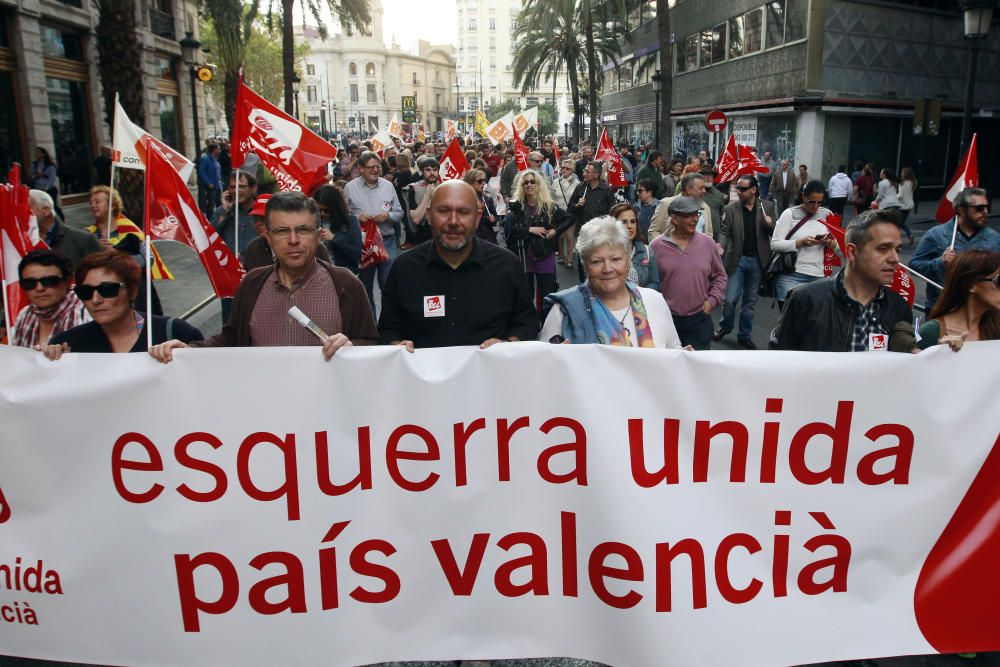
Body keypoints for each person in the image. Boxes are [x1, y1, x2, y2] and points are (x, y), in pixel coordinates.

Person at [149, 192, 377, 363]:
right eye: (281, 231)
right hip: (266, 417)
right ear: (267, 236)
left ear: (318, 236)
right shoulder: (252, 284)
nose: (293, 240)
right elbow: (230, 340)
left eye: (303, 230)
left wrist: (352, 346)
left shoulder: (345, 284)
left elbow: (373, 346)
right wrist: (188, 351)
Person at [377, 180, 538, 350]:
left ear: (477, 218)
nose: (453, 221)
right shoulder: (404, 268)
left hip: (489, 374)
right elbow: (388, 329)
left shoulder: (507, 265)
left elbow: (527, 324)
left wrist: (508, 343)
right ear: (430, 215)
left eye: (463, 212)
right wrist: (397, 345)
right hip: (425, 375)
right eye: (444, 211)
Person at [774, 209, 912, 352]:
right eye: (883, 248)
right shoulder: (805, 300)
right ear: (852, 252)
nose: (895, 259)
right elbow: (779, 362)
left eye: (898, 250)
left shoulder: (899, 308)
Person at [541, 216, 682, 348]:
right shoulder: (563, 312)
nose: (607, 269)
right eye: (596, 262)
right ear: (584, 265)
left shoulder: (654, 301)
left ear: (628, 260)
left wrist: (685, 358)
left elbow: (673, 351)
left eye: (615, 259)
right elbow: (544, 367)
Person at [38, 250, 203, 358]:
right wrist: (48, 365)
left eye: (108, 289)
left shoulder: (175, 332)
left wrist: (188, 356)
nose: (96, 300)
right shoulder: (69, 344)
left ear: (132, 291)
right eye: (85, 292)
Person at [649, 196, 727, 350]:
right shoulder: (656, 246)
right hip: (666, 320)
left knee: (698, 369)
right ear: (675, 219)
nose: (694, 220)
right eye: (688, 216)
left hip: (699, 319)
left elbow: (720, 276)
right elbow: (650, 283)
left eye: (696, 215)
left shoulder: (707, 243)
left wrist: (711, 301)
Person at [911, 187, 1000, 312]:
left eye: (987, 207)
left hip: (981, 309)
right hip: (944, 306)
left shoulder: (994, 238)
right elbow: (914, 266)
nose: (985, 212)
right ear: (962, 211)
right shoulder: (936, 235)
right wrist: (940, 263)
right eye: (979, 208)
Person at [715, 175, 776, 349]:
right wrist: (720, 245)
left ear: (754, 190)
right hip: (737, 259)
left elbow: (776, 232)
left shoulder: (767, 207)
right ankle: (725, 327)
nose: (738, 191)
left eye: (742, 188)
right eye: (737, 188)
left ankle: (744, 335)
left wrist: (770, 224)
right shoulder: (730, 209)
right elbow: (724, 231)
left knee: (750, 302)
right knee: (730, 299)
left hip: (758, 261)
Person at [344, 150, 404, 317]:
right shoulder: (349, 187)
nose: (375, 170)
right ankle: (371, 325)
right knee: (365, 287)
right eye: (371, 167)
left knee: (388, 286)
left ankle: (388, 323)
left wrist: (388, 215)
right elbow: (342, 217)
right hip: (364, 245)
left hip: (387, 242)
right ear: (361, 168)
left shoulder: (388, 186)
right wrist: (357, 218)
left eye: (378, 167)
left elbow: (399, 213)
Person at [505, 169, 571, 311]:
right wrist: (530, 230)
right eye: (525, 182)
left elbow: (569, 218)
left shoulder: (548, 205)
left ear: (538, 184)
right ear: (521, 186)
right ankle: (530, 326)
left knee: (548, 294)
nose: (529, 185)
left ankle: (547, 324)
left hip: (545, 254)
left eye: (532, 182)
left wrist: (555, 231)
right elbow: (509, 233)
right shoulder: (516, 207)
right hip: (524, 256)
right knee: (527, 296)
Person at [770, 180, 842, 307]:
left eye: (819, 202)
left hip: (819, 277)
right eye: (811, 201)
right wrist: (800, 243)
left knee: (813, 323)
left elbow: (840, 248)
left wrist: (830, 243)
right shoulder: (790, 214)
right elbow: (775, 244)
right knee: (789, 323)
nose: (815, 206)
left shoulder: (827, 215)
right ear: (803, 196)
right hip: (791, 275)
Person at [915, 250, 999, 350]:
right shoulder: (932, 332)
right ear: (971, 284)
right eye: (999, 281)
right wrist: (938, 352)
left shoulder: (995, 327)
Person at [10, 249, 90, 348]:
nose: (39, 288)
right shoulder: (24, 315)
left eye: (50, 281)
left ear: (68, 282)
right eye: (29, 283)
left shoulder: (87, 314)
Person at [28, 189, 101, 269]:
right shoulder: (23, 242)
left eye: (28, 207)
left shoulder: (83, 240)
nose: (23, 212)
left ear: (46, 210)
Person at [568, 161, 616, 280]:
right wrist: (577, 205)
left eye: (587, 172)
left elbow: (612, 213)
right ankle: (583, 286)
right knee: (582, 262)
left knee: (597, 261)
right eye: (584, 170)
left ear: (596, 175)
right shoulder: (580, 187)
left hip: (599, 234)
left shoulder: (607, 190)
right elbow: (570, 207)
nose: (583, 174)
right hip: (582, 233)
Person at [648, 172, 713, 241]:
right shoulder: (666, 204)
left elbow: (709, 234)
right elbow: (653, 231)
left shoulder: (705, 208)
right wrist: (665, 248)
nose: (704, 191)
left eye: (704, 188)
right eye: (701, 188)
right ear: (688, 189)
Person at [313, 184, 362, 274]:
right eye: (319, 210)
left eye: (326, 210)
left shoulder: (350, 221)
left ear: (335, 208)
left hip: (344, 275)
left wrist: (334, 238)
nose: (322, 213)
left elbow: (357, 254)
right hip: (321, 274)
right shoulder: (314, 221)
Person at [610, 202, 659, 290]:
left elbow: (654, 282)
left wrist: (639, 296)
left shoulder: (647, 251)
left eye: (633, 221)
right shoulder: (605, 253)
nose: (629, 226)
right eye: (623, 222)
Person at [212, 169, 259, 259]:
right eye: (232, 187)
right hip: (229, 266)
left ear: (253, 188)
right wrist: (224, 211)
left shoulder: (262, 211)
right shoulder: (223, 211)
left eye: (241, 186)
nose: (236, 191)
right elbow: (210, 237)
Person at [401, 156, 440, 248]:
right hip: (423, 237)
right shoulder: (412, 189)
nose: (432, 173)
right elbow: (416, 219)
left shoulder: (445, 187)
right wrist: (427, 195)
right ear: (422, 172)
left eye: (435, 170)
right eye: (428, 170)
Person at [551, 159, 580, 267]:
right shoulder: (555, 182)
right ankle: (561, 256)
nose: (564, 170)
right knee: (559, 235)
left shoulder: (578, 184)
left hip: (570, 213)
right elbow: (552, 197)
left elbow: (578, 199)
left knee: (569, 236)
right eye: (563, 168)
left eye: (567, 168)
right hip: (559, 213)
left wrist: (576, 206)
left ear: (572, 170)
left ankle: (570, 259)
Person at [463, 168, 500, 244]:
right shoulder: (464, 201)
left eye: (484, 180)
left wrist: (493, 219)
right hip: (473, 241)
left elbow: (496, 218)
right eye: (480, 181)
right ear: (471, 182)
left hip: (489, 240)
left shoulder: (487, 200)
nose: (483, 183)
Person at [873, 168, 908, 243]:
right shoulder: (893, 182)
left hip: (886, 206)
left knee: (883, 223)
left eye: (881, 172)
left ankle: (884, 239)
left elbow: (880, 195)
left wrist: (875, 202)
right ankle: (896, 240)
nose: (880, 174)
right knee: (894, 224)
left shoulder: (882, 183)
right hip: (896, 205)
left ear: (884, 174)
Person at [30, 147, 61, 219]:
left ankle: (60, 219)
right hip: (38, 188)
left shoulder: (50, 165)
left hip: (49, 189)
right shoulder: (34, 164)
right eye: (35, 152)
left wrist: (46, 188)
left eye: (38, 152)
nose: (36, 154)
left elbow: (52, 178)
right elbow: (31, 176)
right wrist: (37, 175)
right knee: (40, 207)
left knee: (52, 206)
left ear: (43, 154)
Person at [700, 166, 726, 240]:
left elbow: (722, 214)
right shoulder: (695, 192)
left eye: (710, 175)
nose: (708, 177)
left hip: (714, 234)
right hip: (699, 232)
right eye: (705, 175)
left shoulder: (719, 195)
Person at [197, 143, 222, 216]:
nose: (220, 150)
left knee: (219, 203)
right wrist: (208, 182)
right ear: (214, 150)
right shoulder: (205, 159)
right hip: (211, 185)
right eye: (218, 149)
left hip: (218, 185)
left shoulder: (216, 159)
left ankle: (217, 218)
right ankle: (210, 219)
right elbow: (201, 172)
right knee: (211, 204)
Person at [898, 167, 917, 246]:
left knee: (898, 223)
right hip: (909, 205)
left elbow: (900, 196)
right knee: (901, 223)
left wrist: (892, 197)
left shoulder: (902, 183)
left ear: (905, 174)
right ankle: (909, 235)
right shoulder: (913, 182)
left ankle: (898, 240)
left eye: (902, 172)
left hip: (902, 206)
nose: (901, 174)